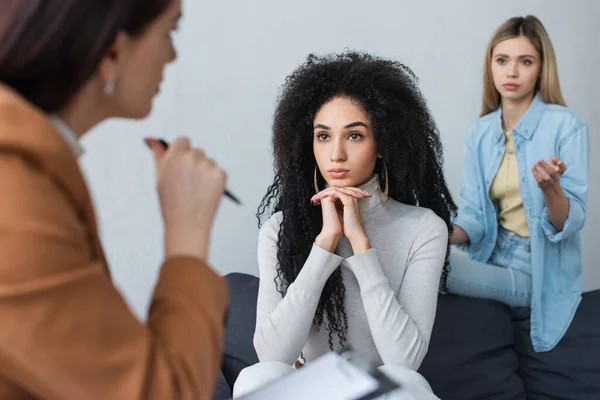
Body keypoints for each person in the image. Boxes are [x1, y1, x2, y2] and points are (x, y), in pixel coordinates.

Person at [0, 0, 229, 398]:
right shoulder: (13, 192)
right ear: (112, 50)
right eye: (169, 32)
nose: (172, 55)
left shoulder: (32, 170)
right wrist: (187, 233)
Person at [233, 52, 457, 399]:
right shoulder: (279, 230)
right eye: (323, 136)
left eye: (354, 136)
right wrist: (325, 246)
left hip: (380, 392)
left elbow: (404, 361)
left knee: (412, 386)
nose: (336, 154)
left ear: (382, 144)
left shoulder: (424, 229)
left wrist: (361, 246)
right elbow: (273, 356)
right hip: (311, 389)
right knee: (254, 377)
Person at [447, 15, 589, 354]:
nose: (512, 72)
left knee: (433, 271)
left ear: (541, 69)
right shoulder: (479, 133)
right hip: (488, 254)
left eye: (525, 61)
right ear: (491, 67)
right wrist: (432, 234)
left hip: (534, 269)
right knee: (419, 256)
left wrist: (551, 188)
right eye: (502, 60)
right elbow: (474, 218)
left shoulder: (566, 125)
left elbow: (569, 222)